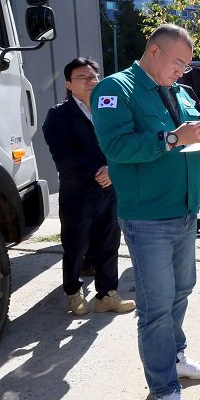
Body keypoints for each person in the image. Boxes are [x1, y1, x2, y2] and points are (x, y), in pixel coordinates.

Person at [91, 24, 200, 400]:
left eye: (187, 66)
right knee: (155, 307)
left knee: (182, 289)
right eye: (178, 63)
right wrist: (172, 139)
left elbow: (191, 137)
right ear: (154, 51)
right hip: (148, 217)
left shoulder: (180, 91)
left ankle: (175, 353)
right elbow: (116, 146)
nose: (182, 71)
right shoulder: (114, 89)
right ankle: (164, 389)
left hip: (186, 210)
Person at [42, 57, 135, 316]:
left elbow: (122, 141)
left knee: (109, 243)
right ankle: (73, 292)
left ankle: (106, 294)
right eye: (82, 78)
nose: (90, 82)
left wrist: (113, 168)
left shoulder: (109, 108)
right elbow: (63, 153)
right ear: (69, 84)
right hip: (78, 190)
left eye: (93, 77)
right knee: (76, 245)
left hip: (109, 188)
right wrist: (97, 170)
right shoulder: (60, 114)